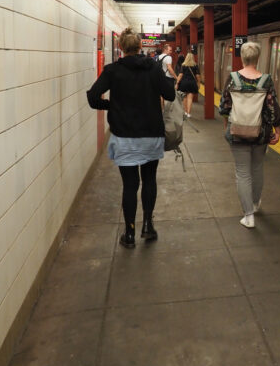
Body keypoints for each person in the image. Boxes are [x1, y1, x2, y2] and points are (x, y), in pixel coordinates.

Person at [86, 28, 176, 248]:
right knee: (149, 179)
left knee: (130, 185)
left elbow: (92, 97)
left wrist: (112, 106)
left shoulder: (112, 70)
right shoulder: (153, 68)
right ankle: (148, 225)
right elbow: (170, 95)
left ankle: (129, 233)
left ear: (121, 48)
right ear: (139, 47)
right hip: (151, 135)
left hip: (124, 137)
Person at [218, 42, 280, 229]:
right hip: (260, 133)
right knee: (257, 169)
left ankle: (248, 216)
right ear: (258, 58)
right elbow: (273, 108)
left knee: (242, 173)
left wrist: (227, 124)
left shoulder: (232, 79)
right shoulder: (266, 80)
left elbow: (224, 106)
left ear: (242, 58)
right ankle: (255, 204)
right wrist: (277, 129)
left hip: (237, 132)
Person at [175, 52, 201, 118]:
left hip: (184, 83)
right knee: (190, 98)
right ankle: (189, 113)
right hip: (192, 83)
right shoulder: (195, 65)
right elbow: (198, 76)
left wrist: (177, 83)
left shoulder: (183, 65)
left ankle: (185, 112)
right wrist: (198, 83)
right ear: (193, 58)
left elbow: (180, 75)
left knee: (184, 98)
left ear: (186, 58)